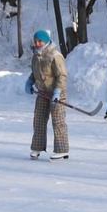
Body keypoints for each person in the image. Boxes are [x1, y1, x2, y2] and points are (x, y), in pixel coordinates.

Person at [25, 29, 69, 160]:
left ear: (46, 41)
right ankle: (37, 147)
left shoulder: (55, 55)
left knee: (58, 121)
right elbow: (35, 72)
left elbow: (62, 75)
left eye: (40, 41)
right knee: (38, 120)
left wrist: (57, 91)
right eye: (36, 41)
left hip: (57, 93)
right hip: (43, 93)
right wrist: (30, 81)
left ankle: (62, 150)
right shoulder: (36, 55)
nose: (37, 43)